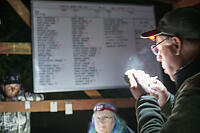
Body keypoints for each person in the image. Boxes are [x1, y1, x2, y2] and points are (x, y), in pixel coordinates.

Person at [125, 6, 200, 133]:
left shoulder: (195, 89)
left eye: (159, 49)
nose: (158, 58)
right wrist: (166, 100)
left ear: (176, 45)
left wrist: (146, 98)